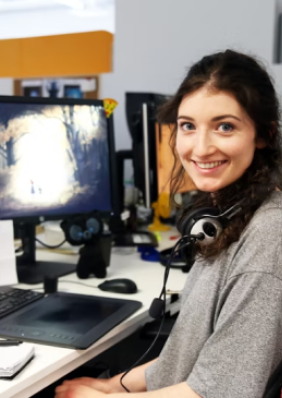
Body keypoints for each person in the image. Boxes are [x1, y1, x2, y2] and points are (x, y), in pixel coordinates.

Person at [55, 49, 282, 398]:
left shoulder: (269, 235)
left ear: (263, 134)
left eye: (225, 126)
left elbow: (219, 392)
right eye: (188, 126)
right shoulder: (224, 216)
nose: (201, 148)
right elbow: (189, 359)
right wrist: (110, 386)